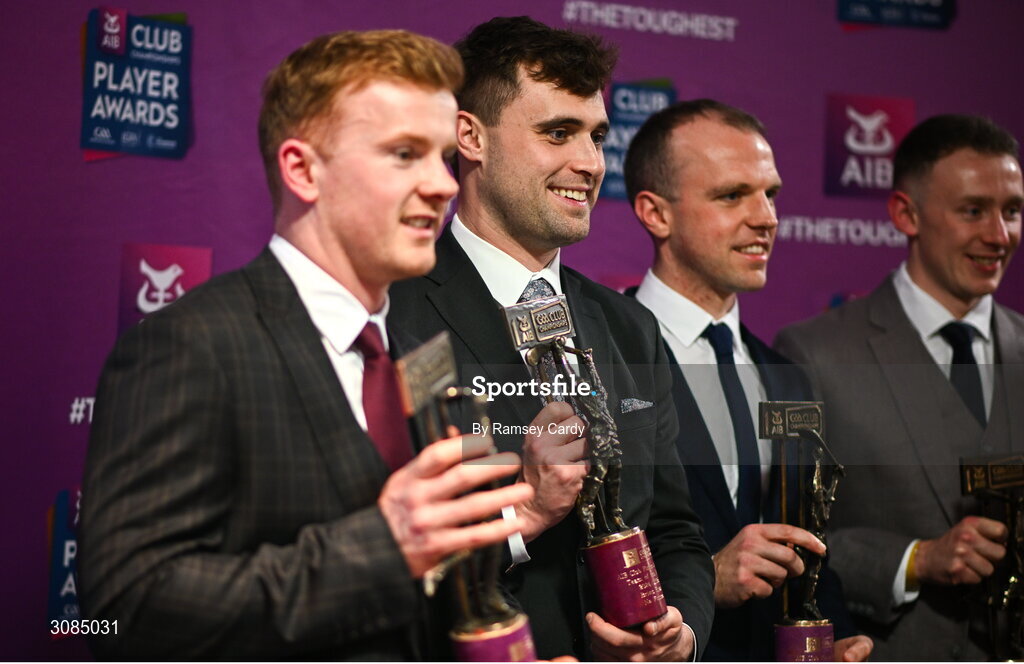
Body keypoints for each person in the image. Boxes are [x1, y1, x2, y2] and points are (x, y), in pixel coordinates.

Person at [77, 30, 533, 660]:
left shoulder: (423, 349)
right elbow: (120, 610)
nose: (444, 184)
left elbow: (455, 582)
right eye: (405, 154)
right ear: (302, 170)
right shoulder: (191, 345)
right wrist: (385, 544)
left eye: (441, 156)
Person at [388, 16, 714, 662]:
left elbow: (676, 533)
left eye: (596, 137)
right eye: (557, 133)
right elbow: (376, 552)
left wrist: (680, 632)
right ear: (470, 136)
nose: (590, 164)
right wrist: (523, 518)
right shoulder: (395, 315)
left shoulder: (628, 326)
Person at [623, 99, 872, 662]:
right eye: (732, 195)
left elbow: (807, 542)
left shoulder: (786, 375)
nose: (766, 218)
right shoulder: (605, 362)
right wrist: (703, 579)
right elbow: (575, 560)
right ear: (655, 213)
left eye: (771, 194)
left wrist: (832, 640)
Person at [775, 114, 1024, 660]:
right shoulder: (811, 354)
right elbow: (788, 538)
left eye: (1012, 211)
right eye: (973, 211)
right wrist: (916, 559)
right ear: (905, 214)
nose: (999, 236)